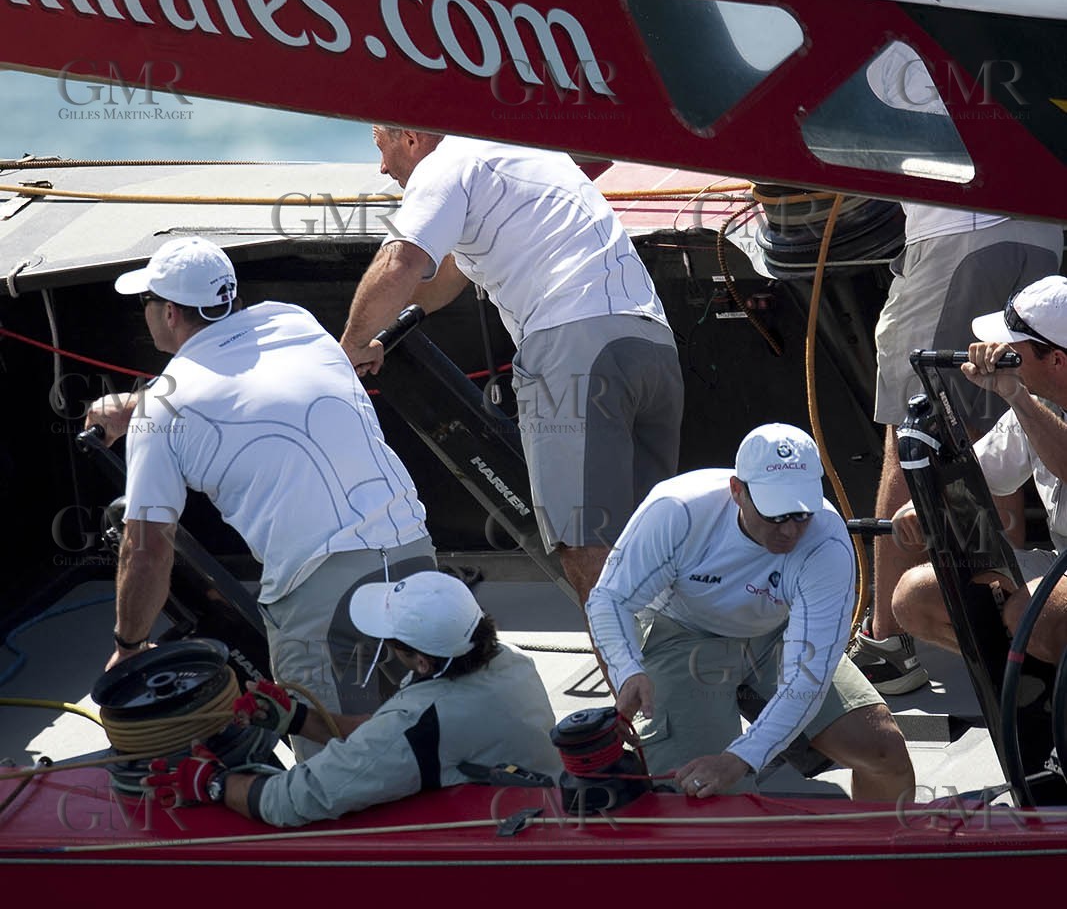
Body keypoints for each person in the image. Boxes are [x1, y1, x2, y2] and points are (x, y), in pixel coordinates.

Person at [86, 237, 434, 743]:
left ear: (167, 313)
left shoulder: (163, 408)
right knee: (428, 720)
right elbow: (247, 384)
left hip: (324, 596)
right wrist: (139, 406)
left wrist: (130, 643)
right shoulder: (296, 321)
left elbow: (146, 549)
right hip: (412, 551)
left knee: (341, 757)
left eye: (146, 304)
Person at [338, 129, 685, 604]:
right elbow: (442, 281)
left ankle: (630, 675)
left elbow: (402, 262)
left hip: (573, 345)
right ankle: (683, 666)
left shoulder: (446, 164)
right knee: (653, 534)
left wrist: (350, 347)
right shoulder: (518, 148)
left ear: (412, 138)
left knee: (583, 541)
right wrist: (380, 333)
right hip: (649, 343)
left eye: (380, 146)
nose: (382, 167)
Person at [585, 424, 914, 801]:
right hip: (683, 634)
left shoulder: (827, 541)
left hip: (776, 632)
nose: (790, 531)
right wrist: (628, 669)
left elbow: (809, 677)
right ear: (737, 491)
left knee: (885, 752)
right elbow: (609, 599)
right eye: (775, 515)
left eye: (801, 514)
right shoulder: (677, 510)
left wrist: (741, 756)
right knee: (703, 796)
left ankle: (880, 857)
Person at [142, 572, 561, 826]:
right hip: (544, 808)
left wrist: (211, 782)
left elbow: (289, 801)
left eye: (393, 643)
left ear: (420, 660)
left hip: (500, 844)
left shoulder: (422, 723)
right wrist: (298, 719)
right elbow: (395, 737)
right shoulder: (508, 663)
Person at [893, 277, 1067, 664]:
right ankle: (1031, 696)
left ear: (1056, 360)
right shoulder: (1034, 404)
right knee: (916, 597)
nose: (1000, 352)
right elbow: (980, 478)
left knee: (1034, 614)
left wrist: (1015, 394)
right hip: (1062, 561)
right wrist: (922, 505)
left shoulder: (1025, 401)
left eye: (1013, 349)